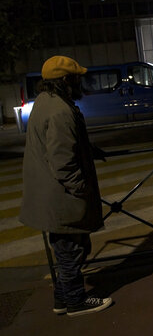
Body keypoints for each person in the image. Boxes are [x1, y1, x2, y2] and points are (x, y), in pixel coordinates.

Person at [19, 56, 112, 317]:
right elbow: (62, 160)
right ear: (65, 81)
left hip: (51, 194)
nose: (81, 81)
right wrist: (81, 190)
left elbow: (62, 145)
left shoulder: (46, 103)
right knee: (72, 249)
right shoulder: (61, 110)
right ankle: (75, 301)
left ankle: (62, 298)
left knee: (64, 248)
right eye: (76, 77)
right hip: (61, 196)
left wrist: (89, 150)